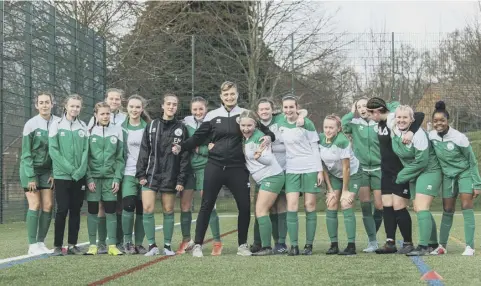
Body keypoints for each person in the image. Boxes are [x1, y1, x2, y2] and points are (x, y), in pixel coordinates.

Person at [172, 81, 275, 258]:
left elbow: (266, 132)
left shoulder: (245, 114)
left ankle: (242, 245)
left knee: (244, 206)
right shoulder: (212, 115)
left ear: (237, 94)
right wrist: (180, 146)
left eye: (232, 94)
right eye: (226, 95)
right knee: (206, 205)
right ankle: (197, 245)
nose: (229, 97)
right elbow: (197, 138)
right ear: (221, 96)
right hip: (215, 166)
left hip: (237, 168)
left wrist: (268, 138)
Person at [366, 97, 424, 254]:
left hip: (399, 170)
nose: (368, 116)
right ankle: (390, 242)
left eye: (370, 113)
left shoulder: (392, 118)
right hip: (385, 170)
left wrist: (411, 132)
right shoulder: (379, 124)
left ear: (377, 111)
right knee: (387, 206)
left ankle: (408, 242)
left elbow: (419, 115)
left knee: (399, 206)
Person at [250, 98, 307, 254]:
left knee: (282, 204)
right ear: (257, 112)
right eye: (261, 109)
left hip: (285, 167)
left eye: (267, 109)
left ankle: (281, 243)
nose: (264, 112)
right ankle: (266, 242)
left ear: (272, 109)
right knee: (268, 207)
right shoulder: (255, 125)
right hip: (265, 171)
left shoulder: (281, 118)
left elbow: (299, 111)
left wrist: (301, 116)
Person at [341, 98, 399, 252]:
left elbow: (395, 106)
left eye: (364, 106)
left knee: (380, 205)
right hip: (361, 169)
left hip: (379, 168)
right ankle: (372, 241)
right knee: (365, 205)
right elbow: (343, 124)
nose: (362, 109)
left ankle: (374, 232)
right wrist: (350, 110)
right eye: (358, 107)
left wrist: (380, 105)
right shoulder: (354, 123)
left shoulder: (380, 122)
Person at [136, 93, 190, 257]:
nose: (171, 106)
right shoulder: (152, 125)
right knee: (147, 208)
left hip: (170, 175)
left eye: (174, 104)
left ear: (176, 107)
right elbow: (144, 150)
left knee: (168, 210)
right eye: (168, 103)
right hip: (151, 174)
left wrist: (181, 179)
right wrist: (141, 174)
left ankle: (167, 245)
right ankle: (152, 245)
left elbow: (184, 156)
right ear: (162, 106)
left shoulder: (181, 128)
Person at [429, 101, 481, 256]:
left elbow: (472, 161)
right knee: (447, 209)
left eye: (442, 120)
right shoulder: (431, 136)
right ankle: (442, 246)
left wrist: (477, 184)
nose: (439, 123)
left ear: (448, 121)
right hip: (447, 176)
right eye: (436, 121)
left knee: (466, 205)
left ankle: (469, 246)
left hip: (464, 174)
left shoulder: (459, 138)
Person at [390, 105, 441, 256]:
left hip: (429, 170)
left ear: (412, 120)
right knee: (419, 208)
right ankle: (433, 243)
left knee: (421, 207)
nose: (401, 120)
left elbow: (422, 162)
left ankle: (423, 246)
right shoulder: (393, 128)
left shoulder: (418, 134)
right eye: (399, 117)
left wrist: (401, 176)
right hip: (413, 173)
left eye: (405, 117)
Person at [276, 95, 322, 256]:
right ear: (282, 108)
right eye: (286, 107)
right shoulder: (279, 123)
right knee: (292, 206)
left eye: (291, 107)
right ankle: (294, 246)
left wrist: (319, 170)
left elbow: (315, 147)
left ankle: (308, 246)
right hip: (292, 169)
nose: (288, 110)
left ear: (297, 107)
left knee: (310, 205)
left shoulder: (306, 123)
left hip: (309, 167)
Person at [177, 96, 223, 256]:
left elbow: (215, 147)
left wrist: (200, 150)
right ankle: (186, 240)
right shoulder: (184, 124)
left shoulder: (213, 122)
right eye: (195, 109)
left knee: (208, 205)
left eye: (201, 109)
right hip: (188, 169)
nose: (198, 112)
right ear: (191, 110)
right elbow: (183, 145)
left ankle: (217, 242)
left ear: (206, 109)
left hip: (206, 168)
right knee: (185, 206)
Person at [238, 110, 285, 256]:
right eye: (243, 125)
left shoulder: (259, 138)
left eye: (249, 125)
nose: (246, 129)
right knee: (259, 212)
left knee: (261, 210)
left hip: (271, 177)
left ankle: (267, 247)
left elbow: (269, 160)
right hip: (262, 179)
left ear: (255, 124)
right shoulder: (245, 138)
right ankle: (259, 245)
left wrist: (258, 157)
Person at [20, 92, 59, 255]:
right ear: (36, 105)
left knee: (48, 205)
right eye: (41, 102)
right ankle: (32, 244)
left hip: (48, 172)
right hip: (30, 169)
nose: (44, 105)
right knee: (35, 204)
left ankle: (41, 242)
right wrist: (30, 176)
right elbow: (26, 153)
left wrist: (54, 172)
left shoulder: (58, 122)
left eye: (47, 102)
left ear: (52, 103)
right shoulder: (31, 124)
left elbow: (58, 151)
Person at [49, 94, 88, 256]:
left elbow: (86, 150)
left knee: (75, 210)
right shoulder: (56, 124)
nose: (75, 109)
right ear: (66, 106)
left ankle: (72, 244)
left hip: (79, 176)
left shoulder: (83, 126)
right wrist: (70, 169)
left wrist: (79, 171)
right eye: (72, 106)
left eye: (78, 106)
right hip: (62, 175)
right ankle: (58, 246)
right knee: (62, 209)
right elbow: (53, 150)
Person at [88, 88, 127, 254]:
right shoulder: (89, 131)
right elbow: (86, 157)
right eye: (102, 114)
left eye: (107, 114)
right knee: (93, 210)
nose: (105, 116)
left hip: (111, 178)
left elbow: (120, 157)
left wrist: (117, 178)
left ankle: (111, 245)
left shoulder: (117, 130)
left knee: (111, 209)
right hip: (94, 179)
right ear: (96, 114)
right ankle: (94, 244)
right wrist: (89, 177)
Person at [320, 115, 361, 255]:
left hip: (352, 174)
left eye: (331, 127)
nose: (328, 130)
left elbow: (346, 169)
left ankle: (351, 246)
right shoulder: (319, 140)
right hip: (334, 176)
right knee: (331, 203)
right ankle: (334, 245)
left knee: (345, 203)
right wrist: (330, 189)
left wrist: (344, 191)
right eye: (326, 127)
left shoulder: (342, 141)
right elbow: (323, 166)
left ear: (338, 129)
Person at [121, 95, 151, 255]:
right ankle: (127, 242)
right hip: (127, 173)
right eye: (131, 106)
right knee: (128, 206)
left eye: (138, 107)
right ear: (127, 107)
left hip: (145, 175)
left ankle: (139, 243)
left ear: (142, 108)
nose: (134, 110)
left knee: (142, 209)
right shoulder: (120, 127)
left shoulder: (148, 127)